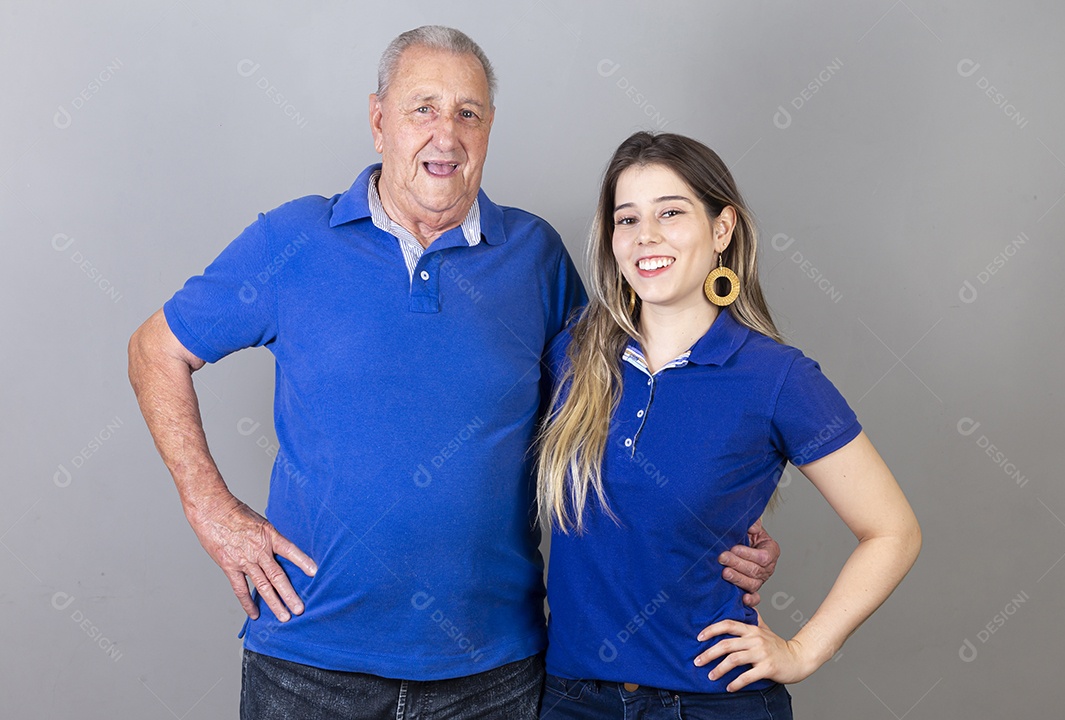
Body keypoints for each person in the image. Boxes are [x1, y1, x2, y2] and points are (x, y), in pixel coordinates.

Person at [127, 28, 779, 719]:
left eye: (468, 113)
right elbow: (154, 350)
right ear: (379, 120)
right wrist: (211, 510)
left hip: (492, 674)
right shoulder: (293, 241)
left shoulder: (535, 256)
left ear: (489, 127)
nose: (447, 135)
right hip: (308, 664)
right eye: (423, 109)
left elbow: (613, 415)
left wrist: (712, 523)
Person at [535, 131, 921, 719]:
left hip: (711, 705)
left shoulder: (775, 376)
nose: (646, 236)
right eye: (627, 219)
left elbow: (893, 532)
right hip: (571, 700)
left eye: (671, 212)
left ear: (722, 229)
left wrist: (803, 651)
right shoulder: (571, 355)